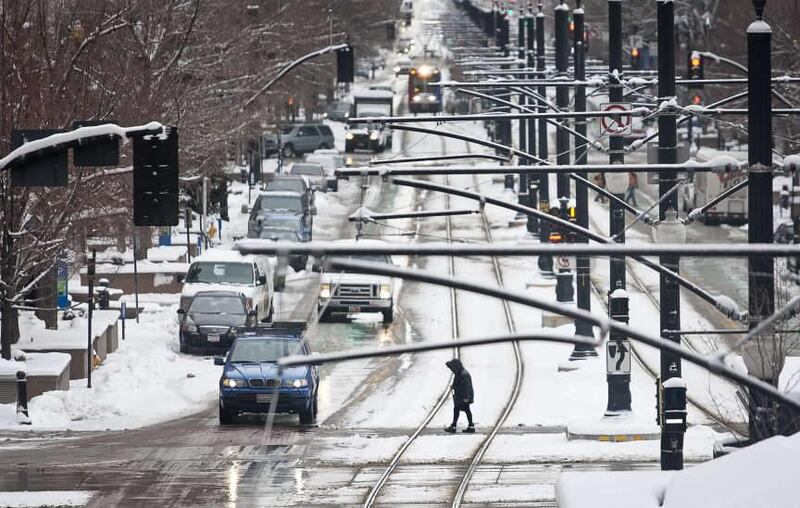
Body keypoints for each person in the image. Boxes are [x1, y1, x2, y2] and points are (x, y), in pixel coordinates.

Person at [444, 359, 474, 433]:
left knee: (460, 409)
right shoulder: (460, 373)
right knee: (464, 410)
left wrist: (466, 397)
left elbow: (466, 386)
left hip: (463, 396)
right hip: (462, 396)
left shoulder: (463, 374)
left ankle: (455, 426)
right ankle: (469, 426)